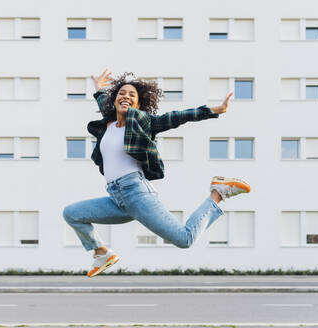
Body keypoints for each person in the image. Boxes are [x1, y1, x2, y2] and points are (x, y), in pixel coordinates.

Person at [63, 70, 251, 277]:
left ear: (138, 104)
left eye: (132, 95)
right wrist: (99, 89)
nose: (126, 96)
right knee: (72, 214)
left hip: (136, 192)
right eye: (122, 93)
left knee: (184, 239)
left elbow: (175, 118)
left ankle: (218, 192)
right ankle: (102, 253)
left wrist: (214, 110)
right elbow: (102, 102)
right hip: (117, 198)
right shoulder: (108, 124)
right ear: (114, 99)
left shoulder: (142, 121)